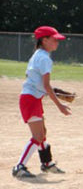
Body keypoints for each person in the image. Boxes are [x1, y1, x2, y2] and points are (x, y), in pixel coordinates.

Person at [12, 26, 71, 178]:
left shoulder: (38, 54)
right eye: (54, 39)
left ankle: (46, 163)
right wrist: (60, 106)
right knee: (37, 136)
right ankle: (19, 167)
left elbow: (38, 82)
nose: (57, 42)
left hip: (32, 98)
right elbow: (45, 85)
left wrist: (54, 90)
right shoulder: (45, 58)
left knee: (42, 133)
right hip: (30, 99)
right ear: (44, 40)